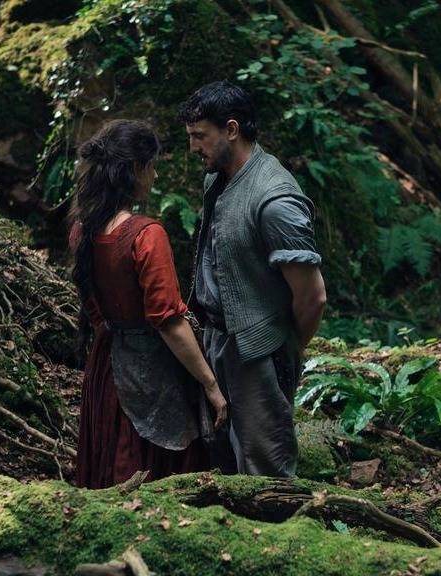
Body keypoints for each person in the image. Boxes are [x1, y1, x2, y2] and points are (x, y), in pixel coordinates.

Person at [179, 81, 327, 477]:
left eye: (199, 136)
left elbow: (313, 297)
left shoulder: (275, 200)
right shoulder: (216, 179)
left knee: (265, 467)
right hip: (216, 340)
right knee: (221, 459)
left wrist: (283, 349)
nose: (193, 147)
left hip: (258, 352)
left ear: (231, 129)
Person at [70, 119, 228, 489]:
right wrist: (210, 384)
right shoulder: (146, 235)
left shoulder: (82, 229)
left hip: (107, 366)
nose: (154, 175)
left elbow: (94, 307)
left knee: (111, 458)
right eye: (152, 166)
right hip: (151, 369)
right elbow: (168, 321)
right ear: (136, 169)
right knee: (148, 470)